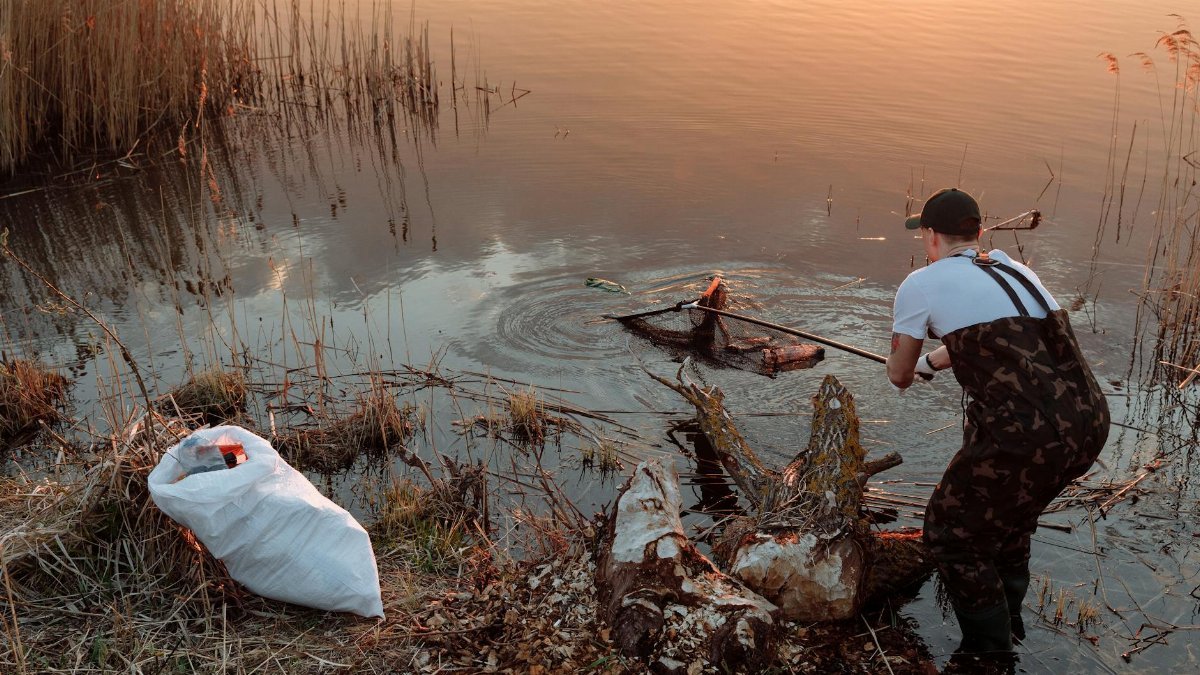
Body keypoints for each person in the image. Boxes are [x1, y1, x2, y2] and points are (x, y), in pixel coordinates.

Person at [885, 188, 1110, 659]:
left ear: (929, 235)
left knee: (952, 535)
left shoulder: (920, 284)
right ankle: (1011, 626)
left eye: (924, 232)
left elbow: (898, 376)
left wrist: (910, 362)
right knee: (1011, 522)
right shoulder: (1014, 269)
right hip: (1087, 422)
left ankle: (988, 656)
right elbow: (1005, 341)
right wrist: (935, 361)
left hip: (1023, 436)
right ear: (978, 233)